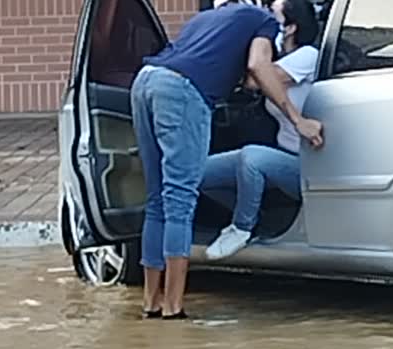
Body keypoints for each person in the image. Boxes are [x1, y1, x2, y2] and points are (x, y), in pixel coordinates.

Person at [130, 0, 324, 320]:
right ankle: (174, 308)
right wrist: (297, 119)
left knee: (158, 198)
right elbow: (257, 67)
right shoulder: (263, 20)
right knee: (180, 198)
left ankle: (151, 303)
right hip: (182, 91)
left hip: (145, 80)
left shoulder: (206, 18)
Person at [202, 0, 321, 260]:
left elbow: (256, 80)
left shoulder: (307, 56)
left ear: (290, 28)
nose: (266, 19)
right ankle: (259, 218)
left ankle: (242, 227)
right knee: (194, 174)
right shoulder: (282, 58)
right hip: (280, 154)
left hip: (304, 163)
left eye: (273, 14)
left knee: (252, 157)